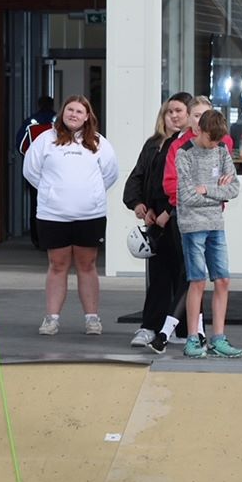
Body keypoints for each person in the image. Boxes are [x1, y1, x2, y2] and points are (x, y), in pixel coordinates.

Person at [22, 95, 119, 335]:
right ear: (62, 113)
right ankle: (51, 319)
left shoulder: (99, 143)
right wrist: (52, 193)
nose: (73, 114)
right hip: (53, 216)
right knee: (57, 265)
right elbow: (31, 172)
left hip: (90, 215)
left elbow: (110, 174)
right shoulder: (45, 140)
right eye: (70, 110)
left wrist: (91, 195)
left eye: (79, 111)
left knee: (87, 265)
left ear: (87, 117)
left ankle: (92, 319)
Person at [169, 109, 242, 357]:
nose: (214, 144)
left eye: (218, 140)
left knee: (222, 280)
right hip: (192, 226)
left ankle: (219, 338)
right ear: (199, 130)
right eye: (211, 139)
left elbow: (234, 188)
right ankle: (192, 338)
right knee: (197, 281)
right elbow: (187, 196)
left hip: (216, 225)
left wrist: (207, 190)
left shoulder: (221, 151)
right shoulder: (184, 153)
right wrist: (216, 193)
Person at [124, 94, 192, 348]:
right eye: (169, 111)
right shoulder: (153, 144)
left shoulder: (190, 144)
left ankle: (184, 329)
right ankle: (150, 326)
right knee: (159, 276)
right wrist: (138, 204)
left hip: (179, 217)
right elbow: (138, 176)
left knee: (184, 276)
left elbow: (185, 184)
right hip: (156, 220)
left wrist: (168, 211)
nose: (174, 116)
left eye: (179, 111)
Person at [16, 96, 56, 249]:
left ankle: (37, 239)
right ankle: (54, 239)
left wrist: (30, 159)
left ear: (38, 105)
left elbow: (21, 145)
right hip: (56, 171)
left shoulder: (30, 122)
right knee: (57, 206)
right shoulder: (59, 121)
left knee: (36, 206)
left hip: (37, 171)